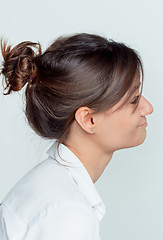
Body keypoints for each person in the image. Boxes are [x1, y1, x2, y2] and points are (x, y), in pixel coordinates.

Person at [0, 33, 153, 239]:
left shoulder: (49, 188)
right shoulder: (68, 212)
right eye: (134, 100)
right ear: (89, 120)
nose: (148, 108)